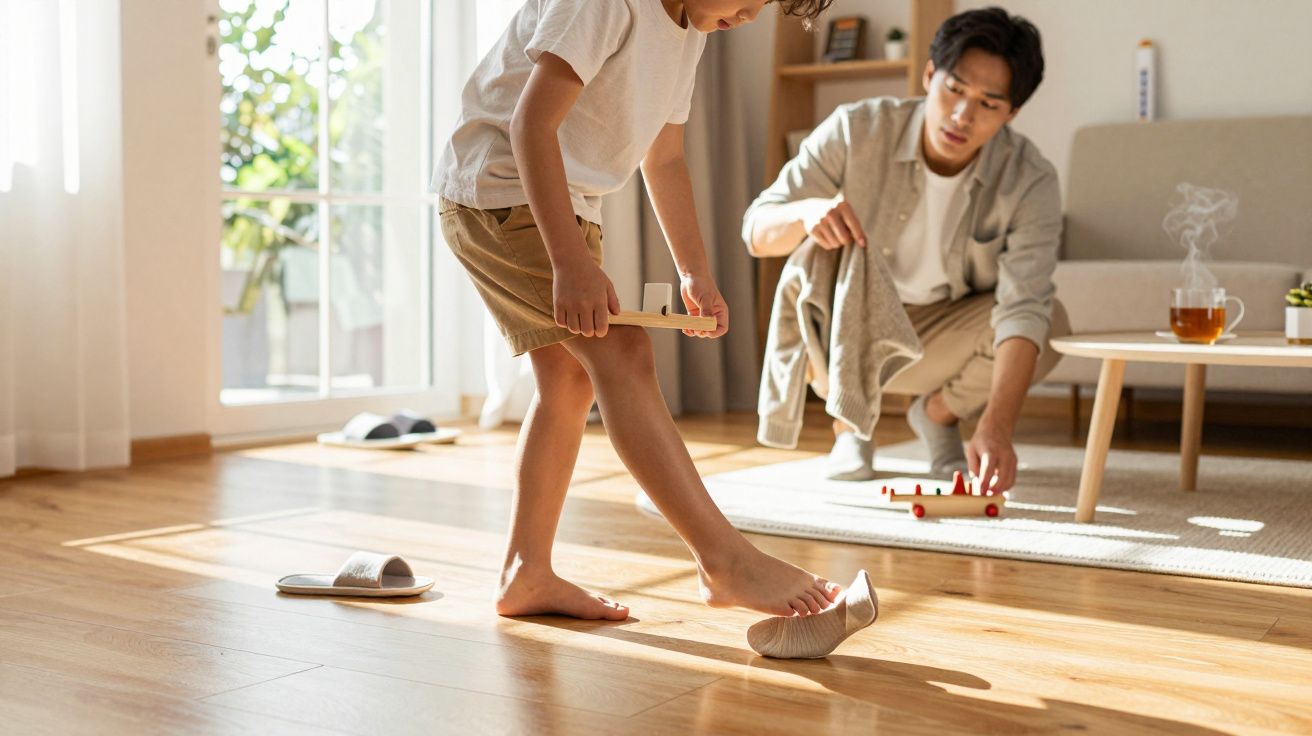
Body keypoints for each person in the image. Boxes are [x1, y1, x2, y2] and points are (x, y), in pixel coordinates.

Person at [434, 0, 841, 621]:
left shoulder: (692, 30)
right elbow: (529, 127)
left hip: (567, 205)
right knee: (622, 352)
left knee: (568, 381)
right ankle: (722, 559)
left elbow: (666, 158)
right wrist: (570, 263)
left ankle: (526, 572)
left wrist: (695, 273)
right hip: (498, 188)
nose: (752, 17)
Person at [745, 7, 1070, 492]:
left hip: (939, 331)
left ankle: (937, 416)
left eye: (988, 103)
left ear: (1012, 113)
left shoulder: (1030, 179)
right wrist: (804, 213)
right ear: (929, 74)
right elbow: (755, 230)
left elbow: (1024, 304)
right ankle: (850, 424)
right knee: (808, 265)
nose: (962, 115)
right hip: (842, 325)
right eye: (954, 89)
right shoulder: (855, 129)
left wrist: (996, 427)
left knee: (1050, 322)